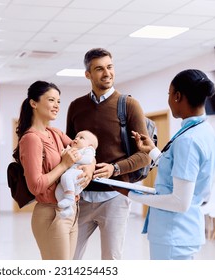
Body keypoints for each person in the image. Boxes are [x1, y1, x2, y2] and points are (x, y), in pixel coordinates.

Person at [116, 69, 215, 260]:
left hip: (174, 233)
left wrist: (130, 194)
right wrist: (152, 150)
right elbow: (177, 170)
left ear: (178, 96)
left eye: (169, 94)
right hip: (183, 232)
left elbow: (179, 202)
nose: (169, 100)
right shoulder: (203, 130)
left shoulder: (188, 140)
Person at [66, 48, 151, 260]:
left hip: (115, 198)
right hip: (81, 198)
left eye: (110, 67)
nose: (107, 73)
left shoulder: (129, 105)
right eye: (99, 69)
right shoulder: (76, 107)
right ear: (88, 74)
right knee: (68, 257)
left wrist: (115, 168)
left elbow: (145, 156)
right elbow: (69, 151)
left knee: (111, 261)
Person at [14, 80, 94, 260]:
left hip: (72, 210)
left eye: (59, 101)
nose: (57, 105)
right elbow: (36, 186)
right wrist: (64, 165)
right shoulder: (31, 139)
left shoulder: (55, 133)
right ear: (34, 103)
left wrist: (90, 166)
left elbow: (86, 149)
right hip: (50, 213)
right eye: (51, 100)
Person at [55, 130, 98, 218]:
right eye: (76, 137)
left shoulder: (88, 150)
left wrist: (73, 157)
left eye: (81, 138)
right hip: (71, 181)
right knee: (58, 191)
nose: (76, 139)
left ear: (90, 145)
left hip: (78, 176)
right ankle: (68, 208)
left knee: (65, 177)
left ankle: (69, 198)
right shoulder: (72, 149)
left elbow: (88, 160)